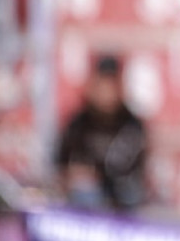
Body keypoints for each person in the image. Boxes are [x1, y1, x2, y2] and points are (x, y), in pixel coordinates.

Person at [55, 53, 149, 212]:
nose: (106, 92)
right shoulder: (79, 123)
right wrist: (74, 175)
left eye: (111, 86)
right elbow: (60, 164)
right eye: (102, 85)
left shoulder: (132, 125)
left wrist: (95, 175)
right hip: (85, 203)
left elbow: (129, 173)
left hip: (121, 201)